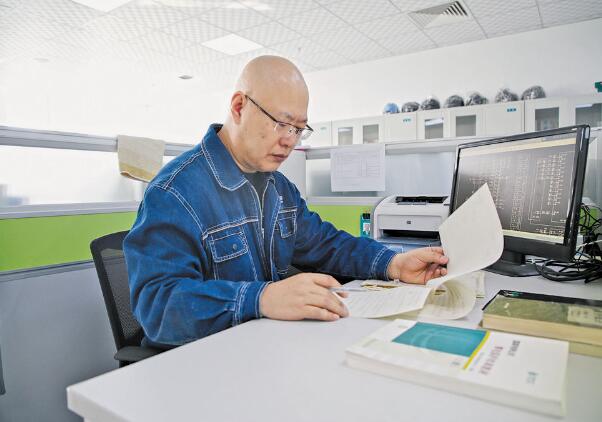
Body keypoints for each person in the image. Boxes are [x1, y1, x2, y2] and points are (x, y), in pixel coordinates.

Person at [123, 55, 448, 349]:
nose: (289, 141)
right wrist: (261, 298)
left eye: (298, 129)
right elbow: (158, 308)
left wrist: (392, 264)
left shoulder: (278, 188)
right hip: (199, 366)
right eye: (281, 123)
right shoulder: (175, 193)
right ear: (239, 106)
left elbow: (328, 244)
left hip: (261, 351)